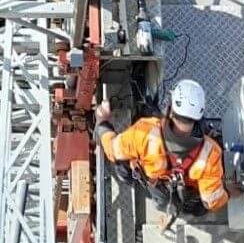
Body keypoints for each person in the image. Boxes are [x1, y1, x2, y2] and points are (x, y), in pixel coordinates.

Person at [95, 78, 228, 222]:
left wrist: (102, 122)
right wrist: (228, 192)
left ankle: (130, 181)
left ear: (171, 107)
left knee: (123, 163)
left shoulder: (143, 132)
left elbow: (112, 150)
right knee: (199, 206)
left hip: (158, 187)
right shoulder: (211, 152)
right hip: (186, 191)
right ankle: (184, 209)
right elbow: (212, 201)